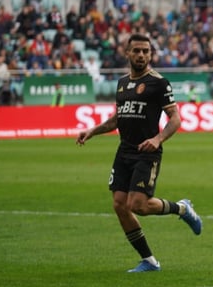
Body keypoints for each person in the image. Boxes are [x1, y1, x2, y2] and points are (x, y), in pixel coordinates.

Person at [76, 33, 203, 272]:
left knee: (139, 205)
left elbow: (175, 118)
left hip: (147, 152)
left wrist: (158, 139)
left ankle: (183, 208)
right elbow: (118, 118)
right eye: (137, 51)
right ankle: (149, 261)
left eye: (146, 51)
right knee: (119, 205)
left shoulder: (158, 82)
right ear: (128, 53)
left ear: (151, 54)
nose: (142, 55)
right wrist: (92, 131)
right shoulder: (123, 83)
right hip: (124, 150)